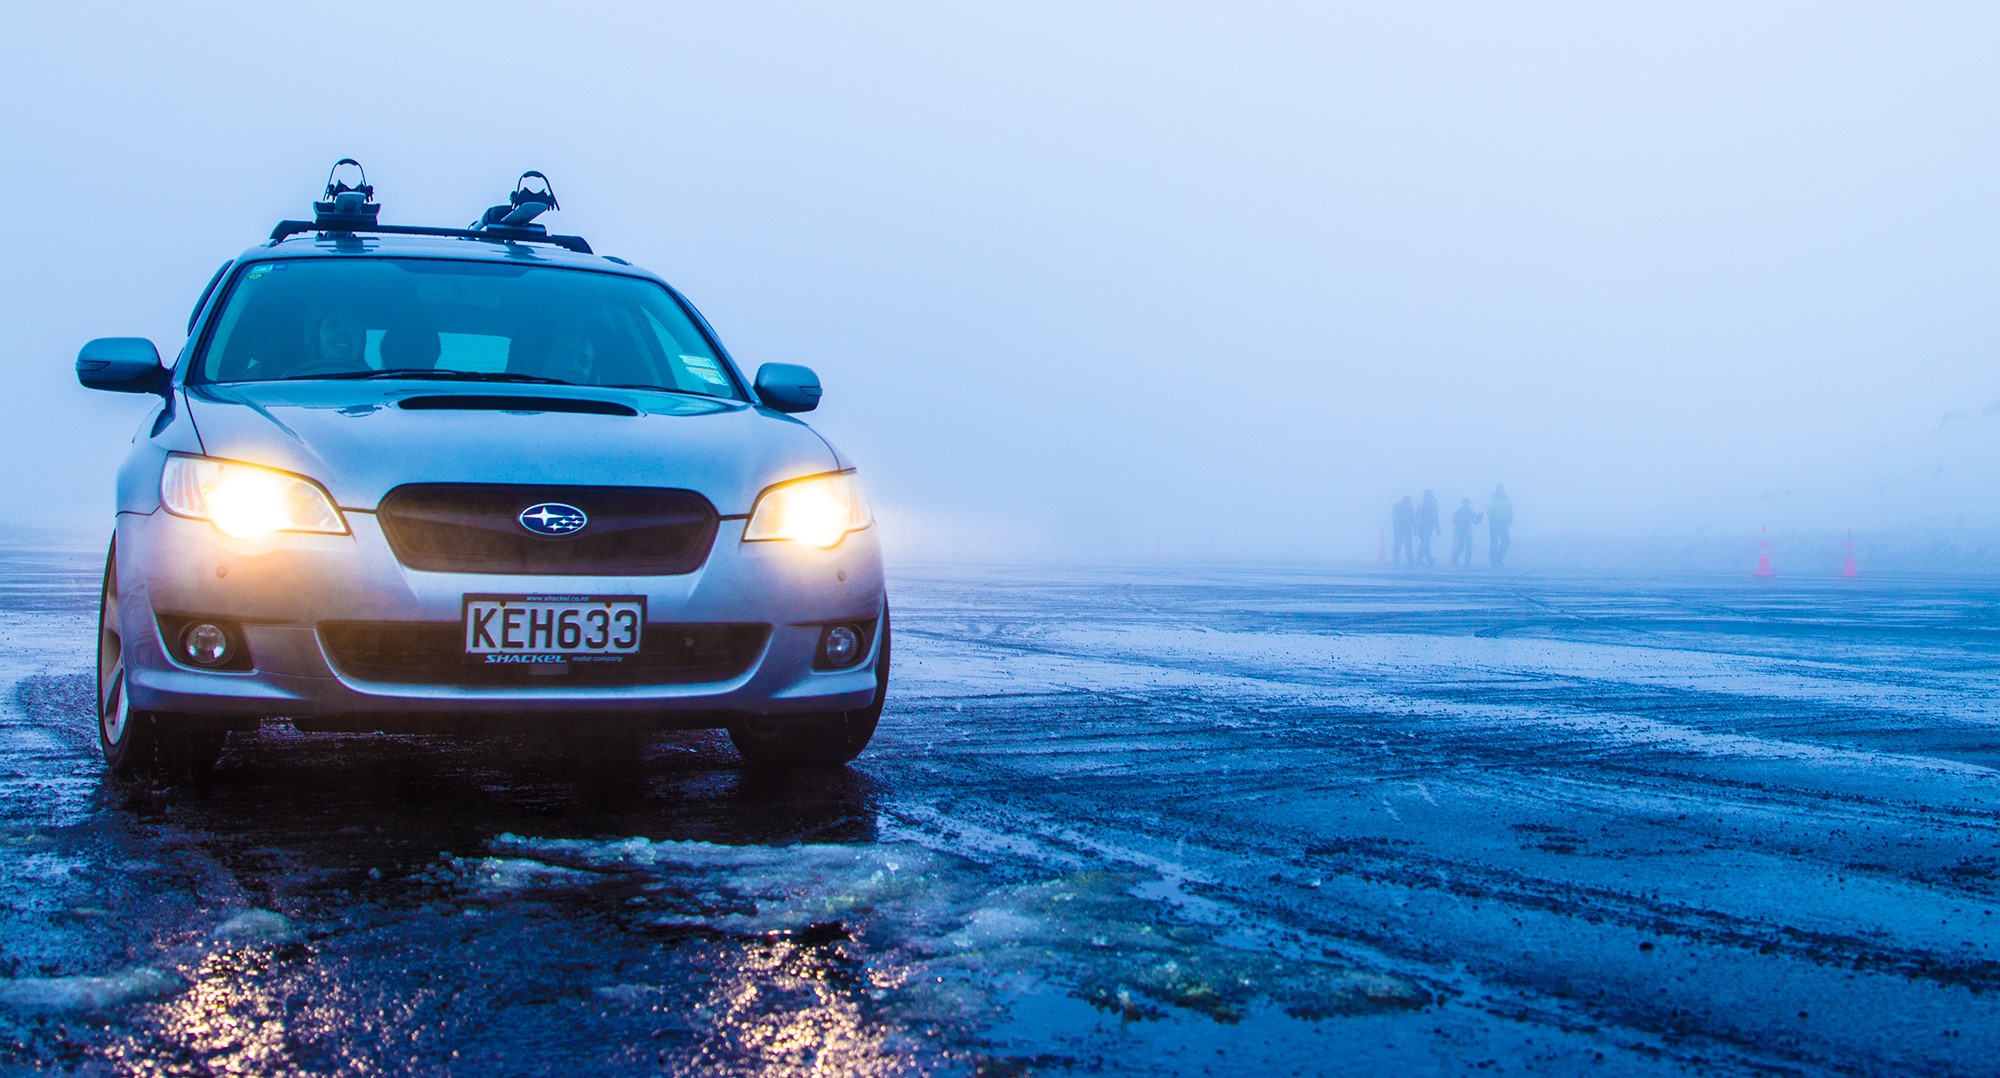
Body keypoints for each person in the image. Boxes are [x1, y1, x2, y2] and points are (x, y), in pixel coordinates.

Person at [1450, 498, 1483, 567]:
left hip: (1468, 531)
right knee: (1461, 547)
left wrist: (1480, 517)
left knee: (1469, 547)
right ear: (1463, 504)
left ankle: (1467, 562)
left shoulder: (1471, 512)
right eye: (1466, 503)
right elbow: (1454, 521)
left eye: (1468, 503)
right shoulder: (1458, 512)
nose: (1467, 505)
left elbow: (1475, 521)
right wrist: (1459, 522)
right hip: (1460, 531)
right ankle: (1454, 558)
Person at [1487, 484, 1514, 566]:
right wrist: (1492, 520)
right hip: (1494, 522)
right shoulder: (1492, 499)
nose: (1499, 491)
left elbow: (1510, 511)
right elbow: (1489, 511)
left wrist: (1510, 520)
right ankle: (1493, 560)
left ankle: (1498, 557)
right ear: (1496, 490)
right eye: (1498, 490)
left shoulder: (1507, 499)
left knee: (1506, 541)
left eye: (1501, 489)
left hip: (1503, 522)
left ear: (1503, 490)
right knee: (1494, 541)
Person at [1415, 490, 1441, 566]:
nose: (1431, 497)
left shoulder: (1430, 505)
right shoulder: (1424, 505)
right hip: (1423, 528)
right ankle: (1421, 560)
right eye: (1429, 495)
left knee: (1425, 543)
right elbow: (1418, 517)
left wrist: (1437, 528)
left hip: (1428, 528)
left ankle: (1428, 559)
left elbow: (1436, 517)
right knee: (1424, 543)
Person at [1390, 495, 1417, 566]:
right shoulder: (1405, 508)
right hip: (1403, 529)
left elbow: (1412, 520)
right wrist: (1414, 528)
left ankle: (1397, 560)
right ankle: (1408, 561)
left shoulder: (1399, 507)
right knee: (1404, 546)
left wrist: (1414, 528)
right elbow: (1412, 520)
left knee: (1400, 546)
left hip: (1401, 529)